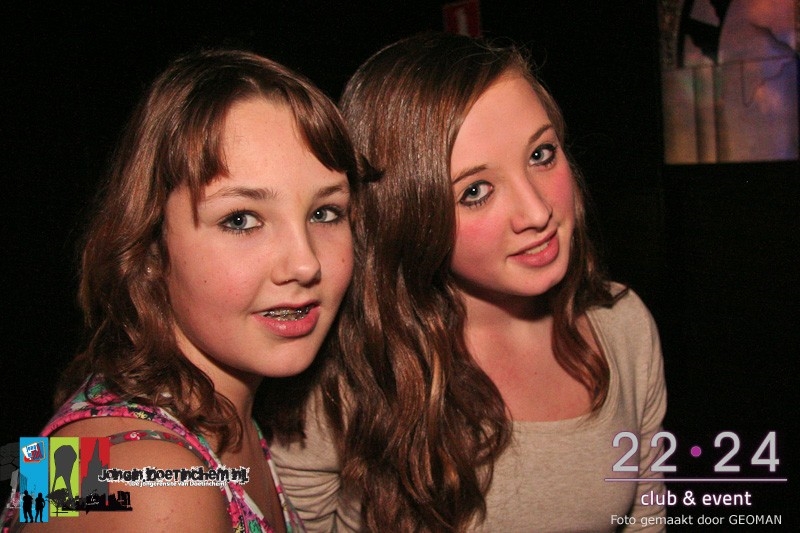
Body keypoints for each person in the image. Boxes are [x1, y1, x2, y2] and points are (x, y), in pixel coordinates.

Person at [270, 32, 667, 532]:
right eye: (476, 190)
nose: (536, 211)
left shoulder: (623, 325)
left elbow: (647, 516)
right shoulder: (344, 371)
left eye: (541, 155)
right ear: (405, 217)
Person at [4, 48, 357, 532]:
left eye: (324, 213)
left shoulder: (136, 418)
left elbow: (41, 500)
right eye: (241, 220)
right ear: (150, 249)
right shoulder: (154, 488)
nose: (305, 263)